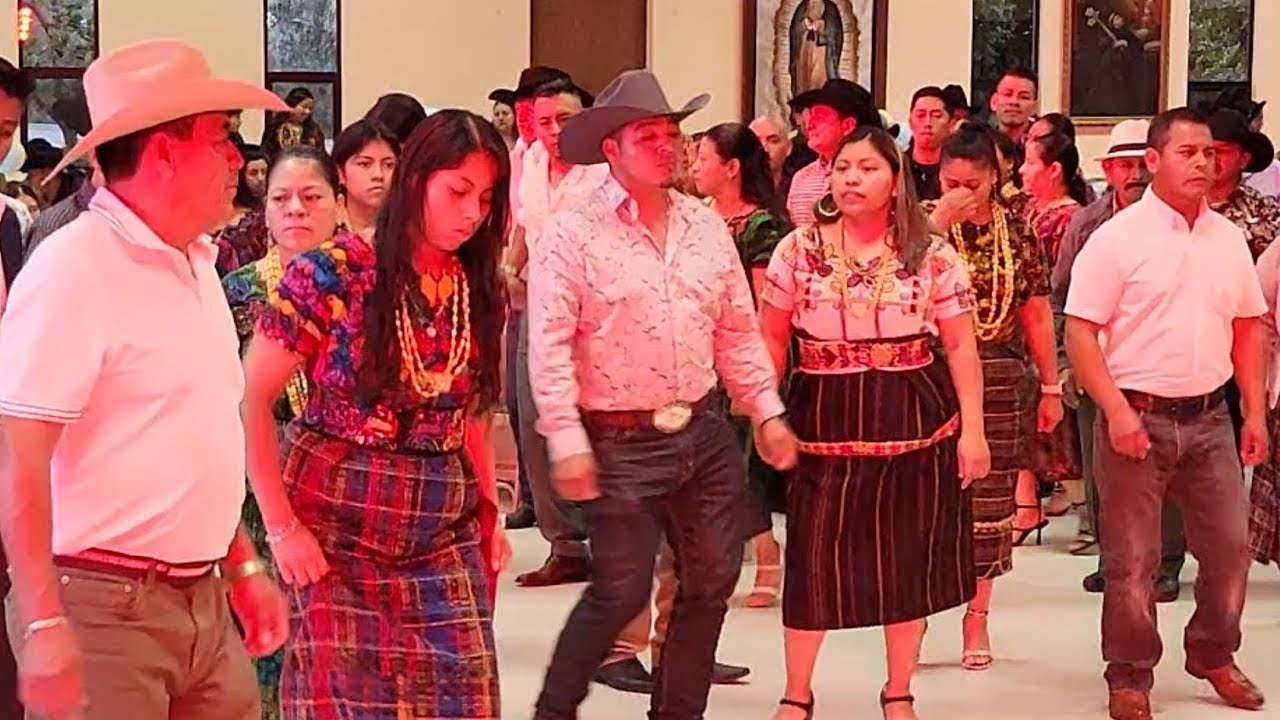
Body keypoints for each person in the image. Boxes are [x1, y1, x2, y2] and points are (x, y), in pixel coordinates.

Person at [0, 39, 289, 720]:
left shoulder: (194, 262)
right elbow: (18, 454)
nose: (237, 159)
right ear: (164, 153)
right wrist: (42, 621)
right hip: (100, 607)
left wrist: (241, 565)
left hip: (203, 603)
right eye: (221, 138)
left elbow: (196, 439)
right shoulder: (75, 268)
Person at [528, 69, 798, 720]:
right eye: (646, 134)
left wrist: (766, 409)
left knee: (709, 583)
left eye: (672, 133)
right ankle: (553, 710)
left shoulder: (705, 229)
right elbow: (550, 342)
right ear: (612, 150)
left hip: (701, 433)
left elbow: (736, 328)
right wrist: (565, 438)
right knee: (620, 590)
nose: (665, 145)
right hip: (617, 434)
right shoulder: (575, 233)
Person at [241, 110, 511, 719]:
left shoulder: (477, 283)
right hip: (334, 516)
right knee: (342, 698)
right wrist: (281, 528)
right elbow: (252, 398)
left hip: (441, 518)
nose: (473, 213)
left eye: (487, 198)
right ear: (416, 182)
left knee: (464, 693)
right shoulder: (331, 271)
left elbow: (473, 412)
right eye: (459, 192)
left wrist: (490, 514)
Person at [759, 126, 989, 720]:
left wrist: (975, 430)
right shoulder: (798, 249)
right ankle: (797, 692)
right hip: (822, 411)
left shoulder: (930, 253)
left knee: (903, 555)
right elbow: (771, 340)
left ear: (896, 181)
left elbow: (962, 344)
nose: (852, 178)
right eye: (842, 168)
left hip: (911, 408)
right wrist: (764, 414)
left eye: (867, 168)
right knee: (813, 556)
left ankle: (898, 689)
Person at [1065, 107, 1268, 720]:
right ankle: (1129, 672)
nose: (1203, 163)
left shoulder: (1227, 237)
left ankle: (1212, 651)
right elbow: (1079, 332)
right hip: (1137, 416)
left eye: (1209, 153)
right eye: (1187, 153)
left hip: (1210, 418)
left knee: (1231, 550)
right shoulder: (1117, 239)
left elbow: (1248, 326)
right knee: (1132, 561)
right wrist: (1117, 412)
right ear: (1152, 161)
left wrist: (1253, 411)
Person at [926, 125, 1061, 672]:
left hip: (1001, 373)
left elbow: (1035, 311)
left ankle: (977, 614)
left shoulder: (1017, 233)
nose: (962, 190)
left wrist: (1051, 384)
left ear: (995, 178)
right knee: (926, 499)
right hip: (929, 376)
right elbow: (894, 283)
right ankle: (914, 612)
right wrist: (936, 226)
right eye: (950, 180)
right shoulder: (919, 228)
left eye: (973, 182)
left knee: (988, 500)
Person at [221, 144, 342, 720]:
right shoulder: (238, 294)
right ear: (263, 212)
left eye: (311, 197)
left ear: (337, 206)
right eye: (281, 199)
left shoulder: (366, 286)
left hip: (346, 490)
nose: (296, 209)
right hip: (259, 494)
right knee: (270, 650)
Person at [692, 121, 791, 608]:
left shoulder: (761, 227)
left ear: (730, 169)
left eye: (702, 160)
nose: (694, 169)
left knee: (738, 464)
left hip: (738, 354)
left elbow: (761, 305)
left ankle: (765, 549)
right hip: (693, 357)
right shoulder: (698, 218)